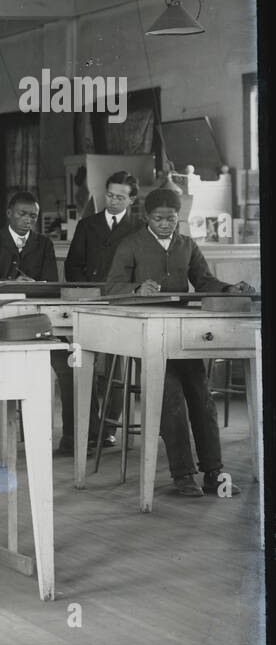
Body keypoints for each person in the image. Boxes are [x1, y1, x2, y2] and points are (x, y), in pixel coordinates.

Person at [104, 187, 256, 497]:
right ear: (147, 217)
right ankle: (183, 474)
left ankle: (214, 472)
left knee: (202, 397)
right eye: (159, 219)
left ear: (179, 218)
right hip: (148, 334)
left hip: (183, 332)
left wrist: (229, 289)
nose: (165, 224)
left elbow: (204, 281)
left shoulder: (187, 245)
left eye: (172, 219)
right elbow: (111, 287)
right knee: (170, 396)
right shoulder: (130, 245)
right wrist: (136, 290)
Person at [0, 189, 74, 455]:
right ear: (9, 214)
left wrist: (37, 285)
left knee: (67, 367)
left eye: (33, 215)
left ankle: (70, 436)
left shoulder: (43, 244)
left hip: (36, 320)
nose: (28, 219)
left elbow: (52, 285)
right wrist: (9, 284)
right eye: (22, 214)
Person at [64, 171, 142, 449]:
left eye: (120, 197)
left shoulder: (139, 227)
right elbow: (72, 265)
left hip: (122, 303)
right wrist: (88, 291)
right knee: (82, 364)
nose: (112, 201)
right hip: (88, 301)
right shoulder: (87, 225)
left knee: (116, 369)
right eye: (109, 195)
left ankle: (108, 427)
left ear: (132, 199)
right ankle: (89, 428)